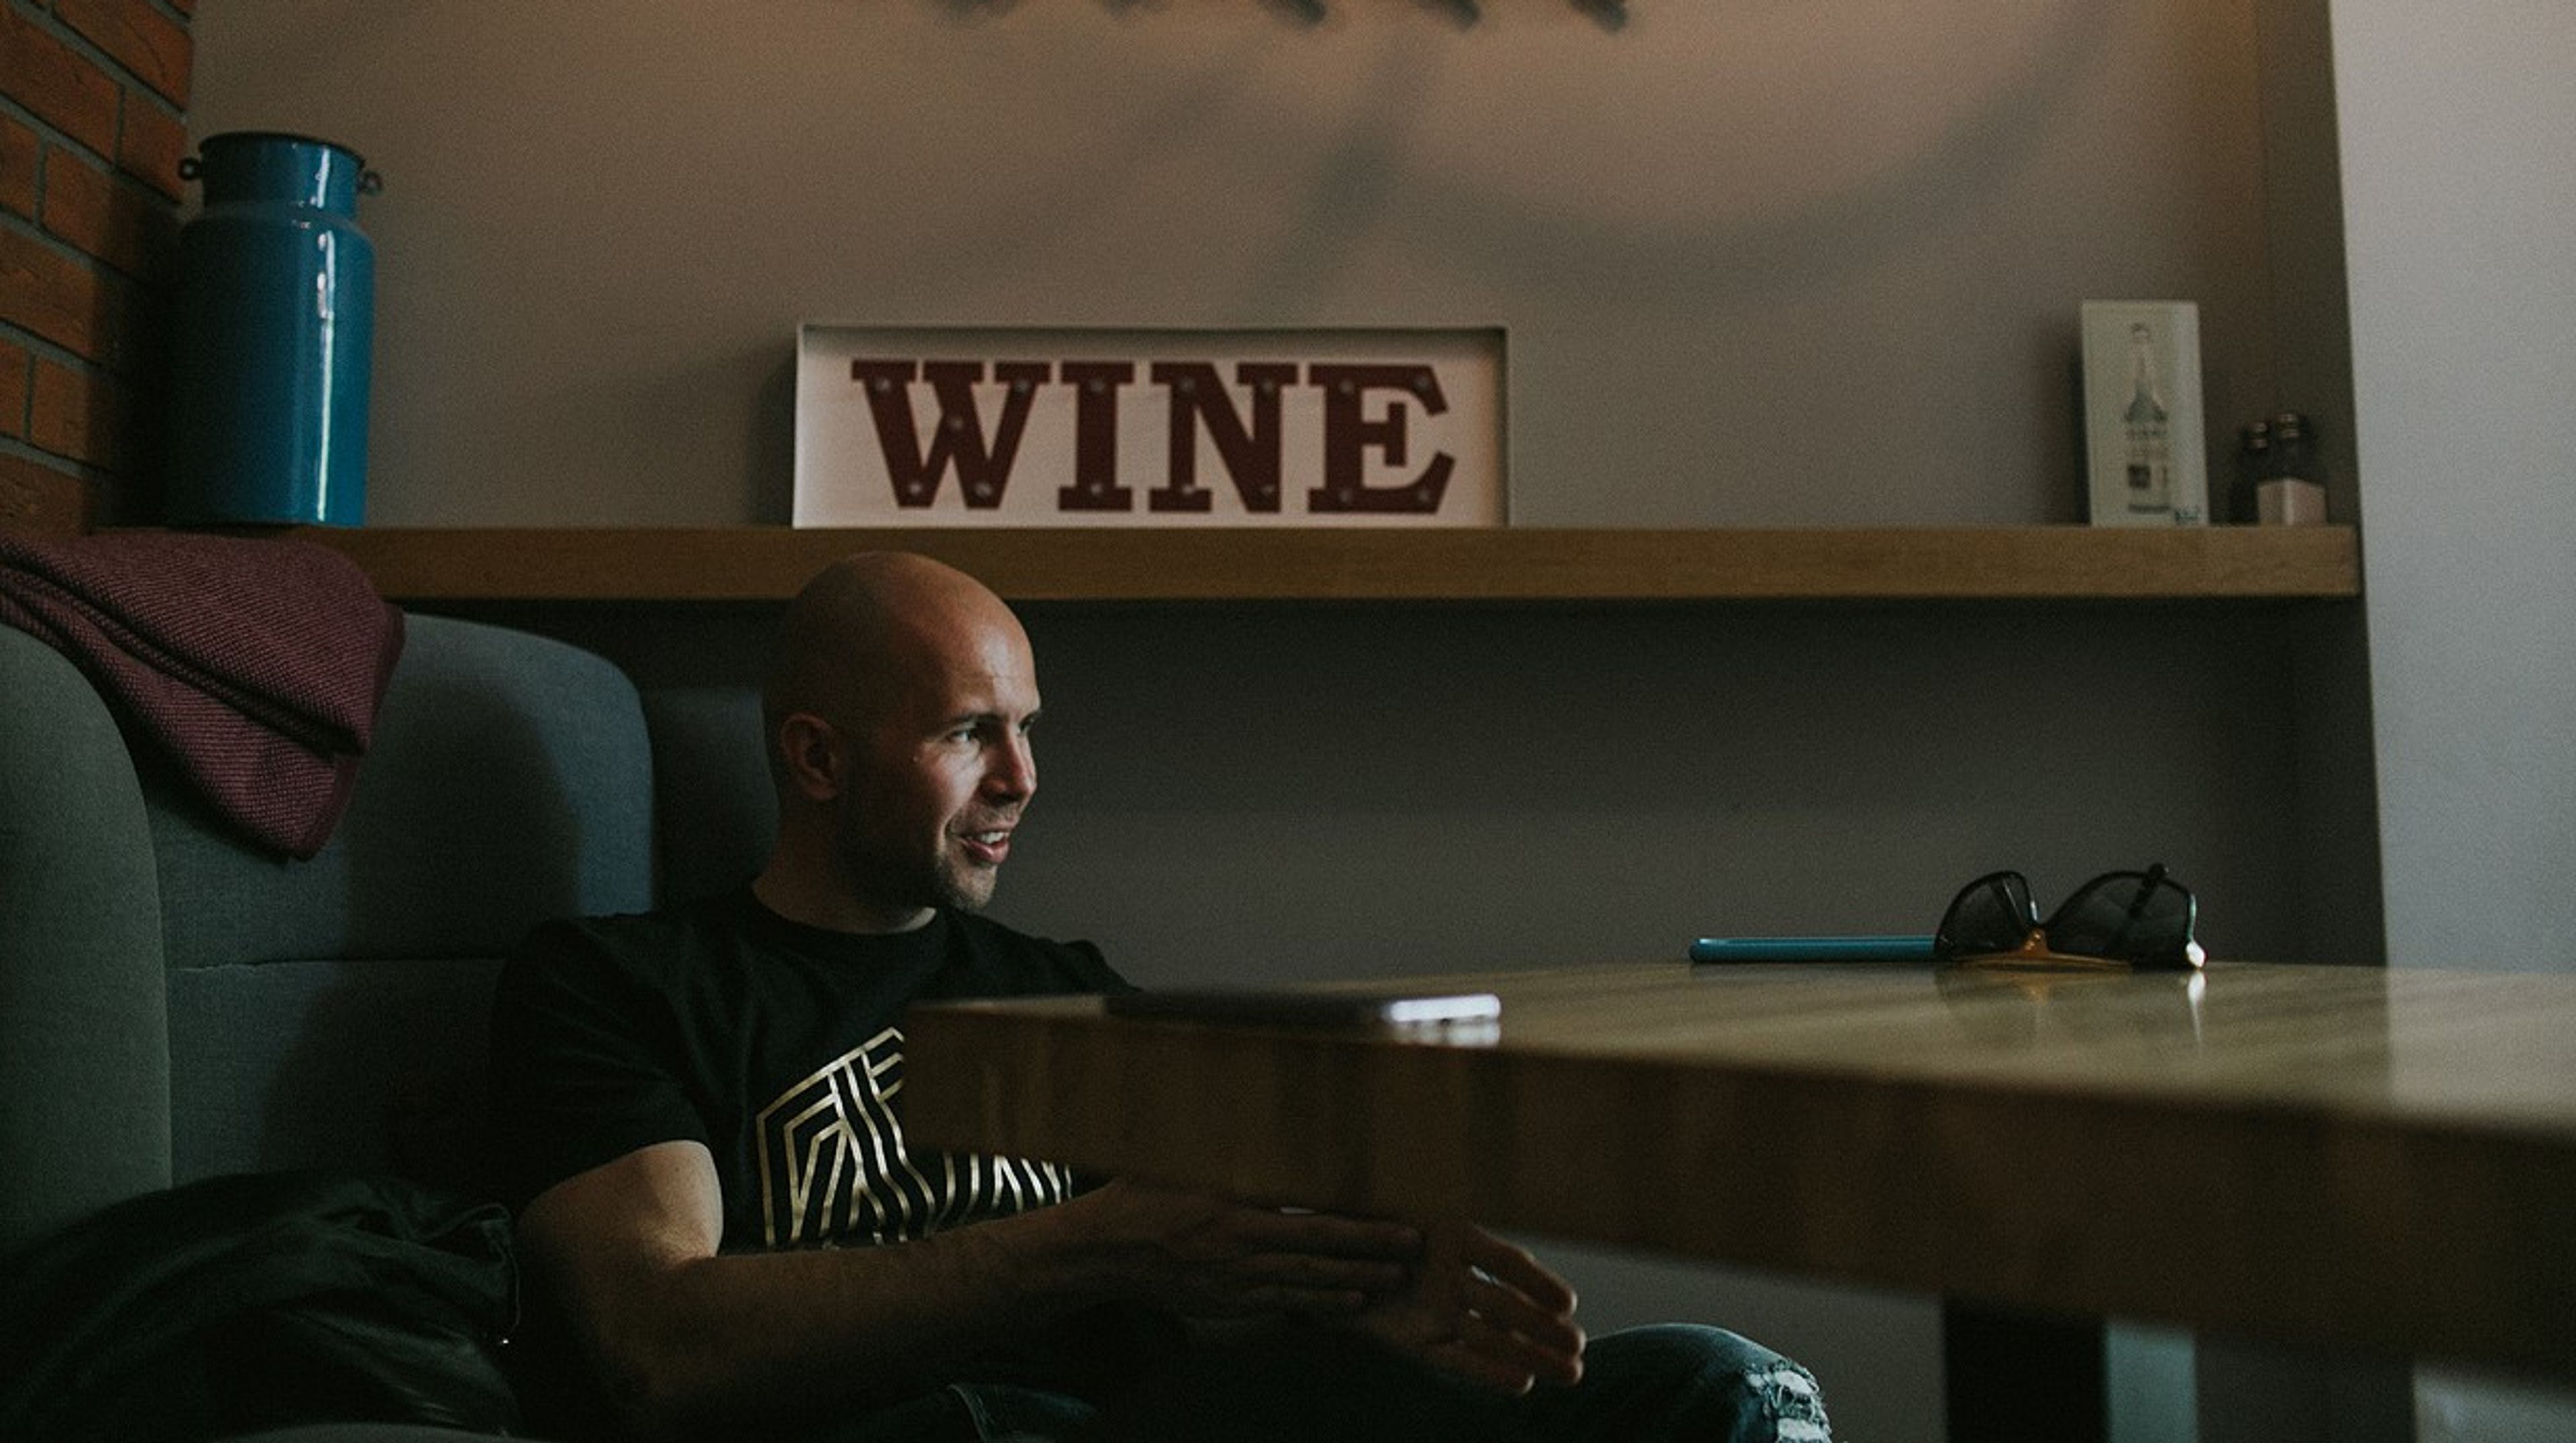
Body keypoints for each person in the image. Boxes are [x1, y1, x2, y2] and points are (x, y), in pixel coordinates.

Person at [490, 551, 1830, 1443]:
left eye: (1028, 728)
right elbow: (652, 1340)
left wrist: (1363, 1298)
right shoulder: (620, 983)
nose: (1022, 776)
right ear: (818, 756)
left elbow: (1206, 1263)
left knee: (1730, 1389)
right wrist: (1091, 1249)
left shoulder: (1067, 992)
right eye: (970, 732)